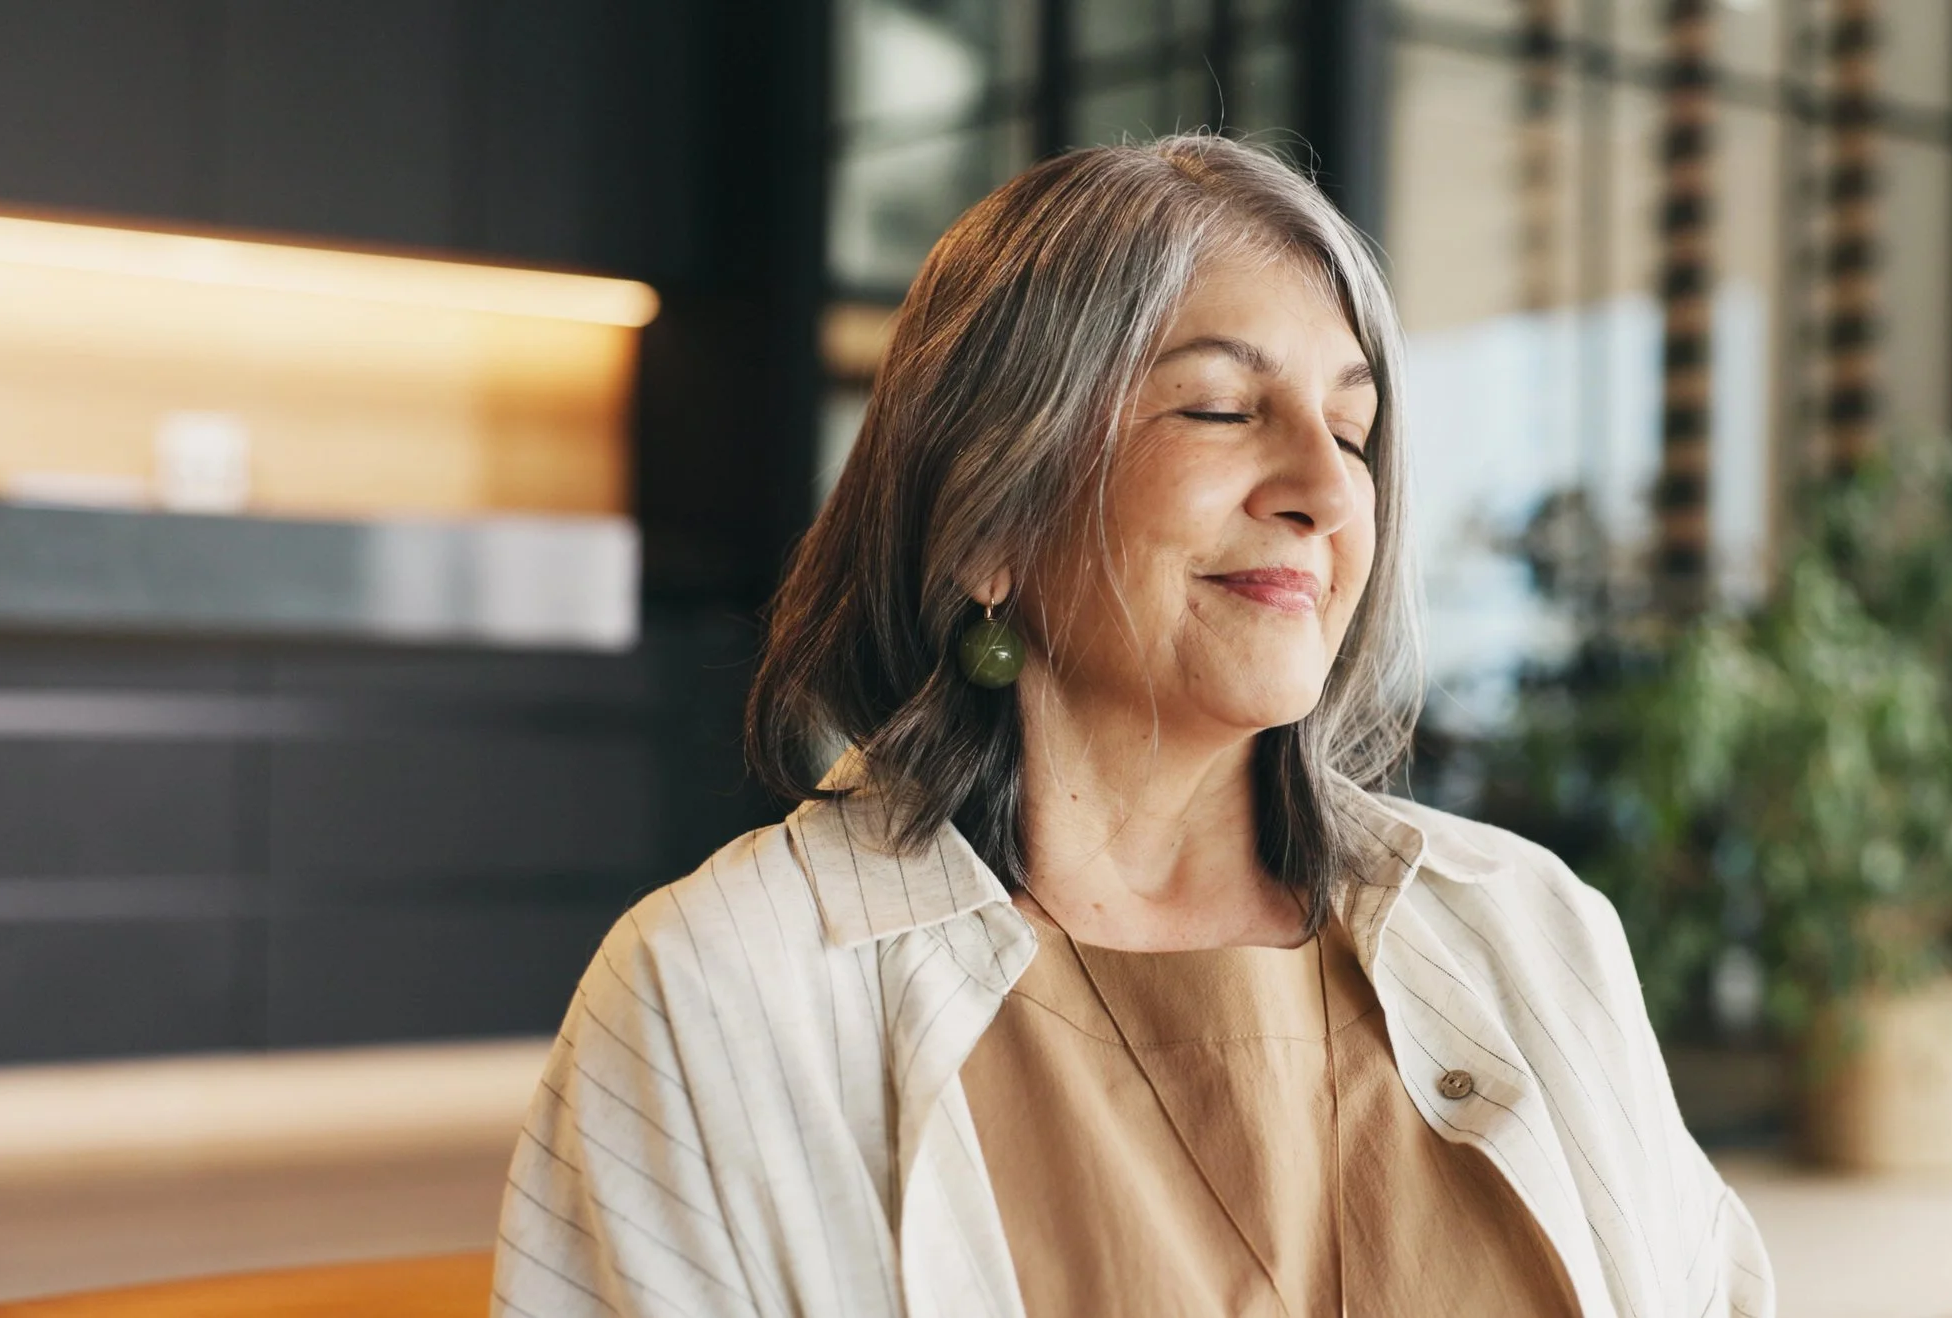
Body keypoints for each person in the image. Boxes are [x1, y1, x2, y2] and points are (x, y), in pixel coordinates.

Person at [492, 134, 1773, 1318]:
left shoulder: (1532, 927)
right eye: (1220, 408)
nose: (1328, 490)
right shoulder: (712, 989)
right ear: (990, 520)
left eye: (1355, 429)